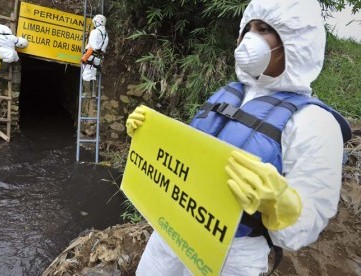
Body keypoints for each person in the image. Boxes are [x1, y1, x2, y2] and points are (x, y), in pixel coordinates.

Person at [126, 0, 352, 275]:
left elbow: (308, 220)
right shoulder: (229, 93)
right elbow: (187, 153)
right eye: (249, 28)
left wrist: (278, 203)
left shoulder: (314, 122)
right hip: (172, 228)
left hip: (232, 255)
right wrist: (150, 136)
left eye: (265, 29)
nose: (249, 38)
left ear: (295, 40)